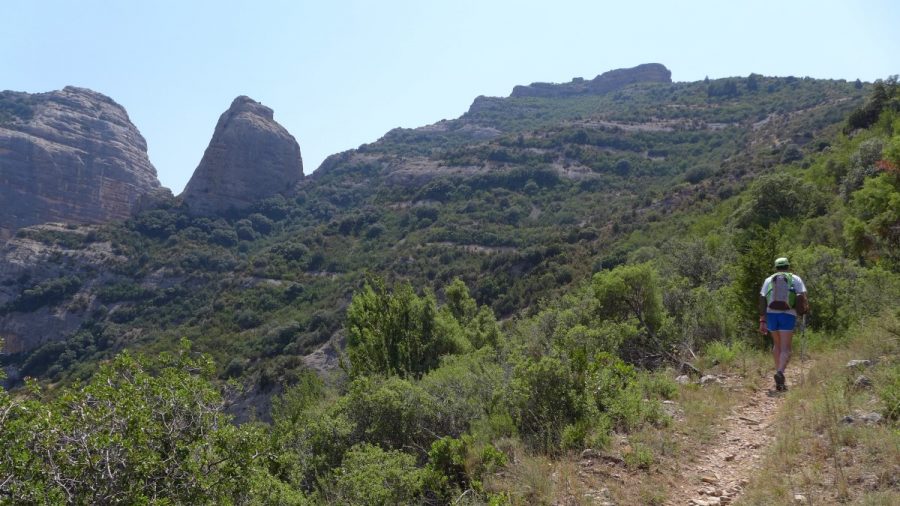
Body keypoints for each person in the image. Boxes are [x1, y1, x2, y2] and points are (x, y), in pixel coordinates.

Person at [759, 257, 809, 391]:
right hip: (788, 314)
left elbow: (763, 300)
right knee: (786, 348)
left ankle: (779, 378)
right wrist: (804, 311)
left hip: (771, 314)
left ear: (776, 267)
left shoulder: (769, 280)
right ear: (788, 266)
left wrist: (762, 320)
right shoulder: (795, 279)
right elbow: (803, 297)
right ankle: (780, 372)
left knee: (777, 345)